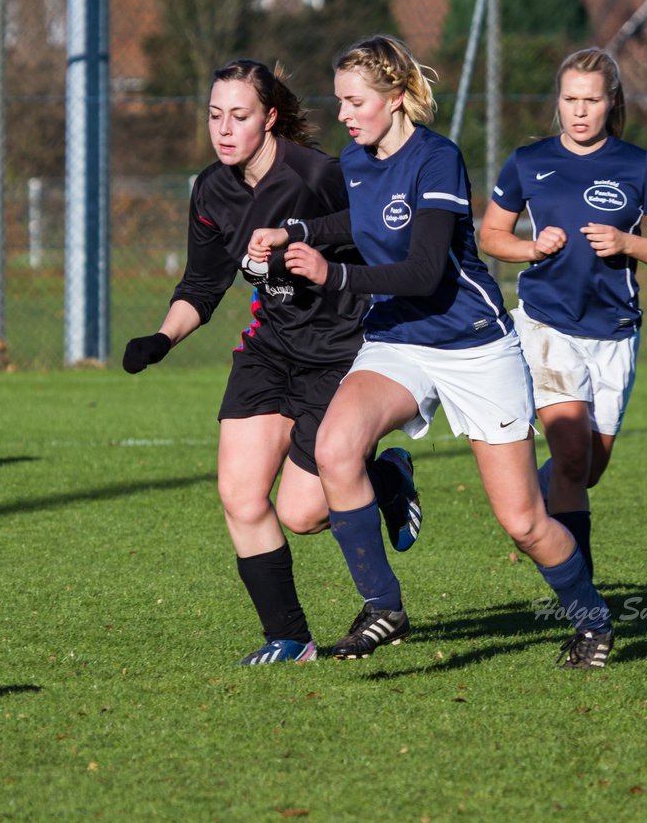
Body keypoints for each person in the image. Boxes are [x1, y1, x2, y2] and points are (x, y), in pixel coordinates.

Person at [249, 35, 614, 668]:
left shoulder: (437, 158)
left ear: (393, 98)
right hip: (398, 341)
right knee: (335, 451)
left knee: (524, 522)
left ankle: (592, 619)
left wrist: (329, 275)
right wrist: (296, 232)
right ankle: (383, 606)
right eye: (338, 101)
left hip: (474, 346)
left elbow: (423, 272)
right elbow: (360, 223)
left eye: (353, 101)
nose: (342, 114)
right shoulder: (357, 160)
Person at [122, 59, 421, 665]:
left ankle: (388, 479)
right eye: (214, 116)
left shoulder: (319, 176)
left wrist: (308, 238)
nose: (224, 129)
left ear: (270, 118)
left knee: (303, 513)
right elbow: (203, 285)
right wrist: (161, 338)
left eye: (239, 116)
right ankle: (289, 638)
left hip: (340, 354)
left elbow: (379, 227)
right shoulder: (211, 189)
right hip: (270, 351)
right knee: (239, 495)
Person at [477, 48, 647, 578]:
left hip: (614, 331)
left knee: (588, 470)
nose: (579, 110)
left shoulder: (639, 165)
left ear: (610, 102)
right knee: (571, 456)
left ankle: (527, 506)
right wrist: (531, 248)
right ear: (558, 101)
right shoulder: (529, 161)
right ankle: (586, 604)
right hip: (547, 324)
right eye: (570, 99)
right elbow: (491, 235)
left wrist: (627, 242)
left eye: (591, 100)